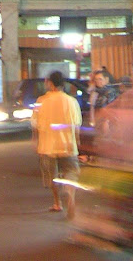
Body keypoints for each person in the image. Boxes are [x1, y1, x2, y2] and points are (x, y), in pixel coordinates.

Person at [31, 69, 82, 217]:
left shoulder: (41, 101)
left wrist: (35, 139)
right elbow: (76, 124)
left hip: (47, 146)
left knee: (52, 176)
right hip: (68, 145)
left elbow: (35, 123)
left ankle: (57, 202)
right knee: (70, 173)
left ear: (51, 83)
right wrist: (77, 141)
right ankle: (71, 197)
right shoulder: (71, 101)